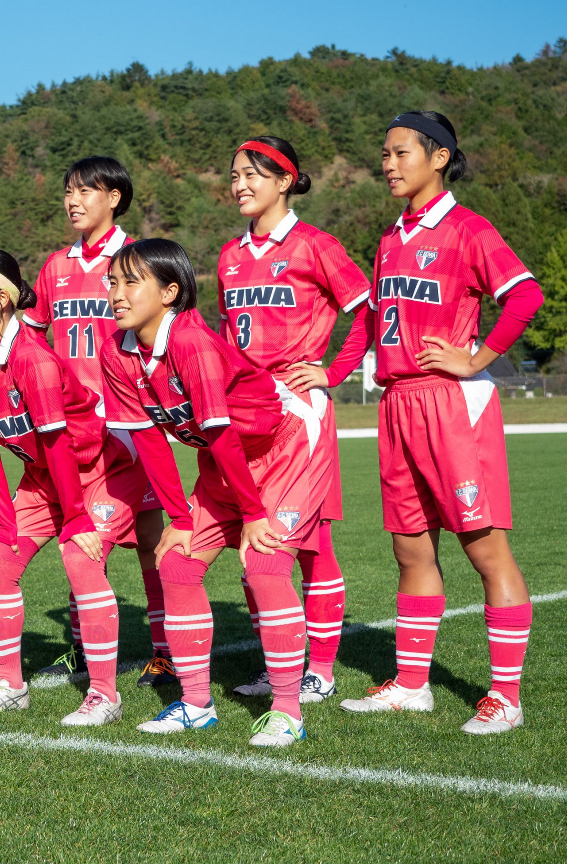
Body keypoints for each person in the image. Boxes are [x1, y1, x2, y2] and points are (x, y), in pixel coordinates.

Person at [337, 112, 542, 735]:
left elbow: (524, 296)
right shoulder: (390, 237)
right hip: (398, 403)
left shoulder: (467, 229)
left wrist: (476, 358)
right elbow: (373, 322)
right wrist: (331, 371)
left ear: (440, 157)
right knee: (409, 548)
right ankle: (412, 684)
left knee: (484, 547)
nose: (389, 164)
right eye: (385, 154)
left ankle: (504, 696)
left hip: (451, 405)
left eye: (401, 153)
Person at [101, 239, 323, 747]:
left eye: (131, 281)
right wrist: (179, 519)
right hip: (224, 464)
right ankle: (197, 704)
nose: (117, 292)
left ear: (170, 291)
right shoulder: (118, 348)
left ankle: (287, 710)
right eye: (113, 281)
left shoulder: (192, 342)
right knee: (177, 563)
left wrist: (253, 514)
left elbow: (223, 433)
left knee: (265, 568)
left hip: (283, 450)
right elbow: (150, 437)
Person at [0, 249, 147, 726]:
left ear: (4, 301)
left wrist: (75, 519)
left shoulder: (34, 357)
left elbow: (58, 443)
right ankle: (10, 687)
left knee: (80, 556)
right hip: (43, 476)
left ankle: (104, 696)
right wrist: (1, 517)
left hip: (102, 468)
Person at [215, 137, 371, 706]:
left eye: (252, 175)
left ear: (285, 181)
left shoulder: (315, 245)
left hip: (298, 410)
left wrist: (335, 371)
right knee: (253, 540)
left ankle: (320, 672)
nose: (240, 185)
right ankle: (275, 664)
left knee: (308, 544)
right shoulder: (229, 255)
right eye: (234, 176)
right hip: (246, 410)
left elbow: (367, 309)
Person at [21, 157, 171, 688]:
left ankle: (164, 651)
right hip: (71, 429)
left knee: (152, 542)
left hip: (129, 426)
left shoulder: (137, 263)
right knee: (77, 537)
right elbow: (34, 339)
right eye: (68, 190)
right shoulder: (54, 267)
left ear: (115, 198)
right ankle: (82, 650)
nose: (73, 199)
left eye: (87, 190)